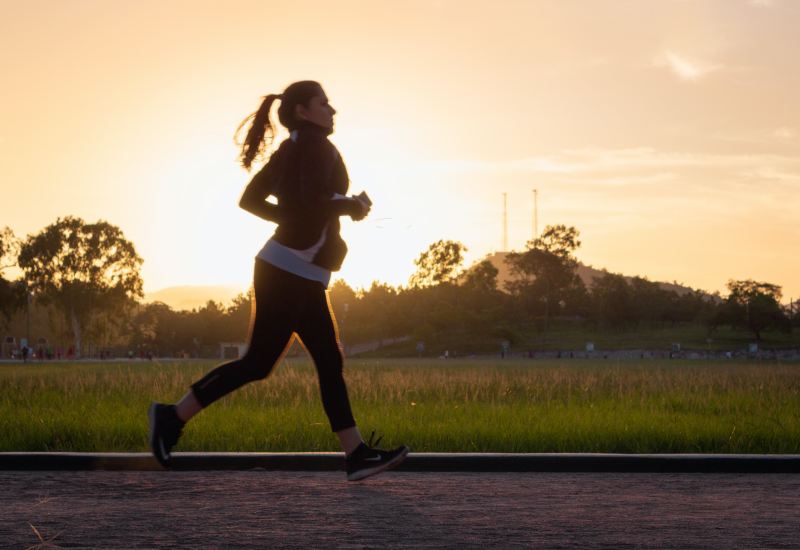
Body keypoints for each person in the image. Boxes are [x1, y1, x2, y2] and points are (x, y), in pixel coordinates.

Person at [148, 80, 409, 481]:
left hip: (294, 269)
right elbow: (310, 202)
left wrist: (296, 219)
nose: (332, 110)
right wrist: (352, 205)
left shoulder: (293, 149)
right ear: (304, 111)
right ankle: (171, 416)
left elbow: (253, 200)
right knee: (262, 363)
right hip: (287, 271)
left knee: (323, 359)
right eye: (324, 103)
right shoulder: (314, 148)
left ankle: (355, 454)